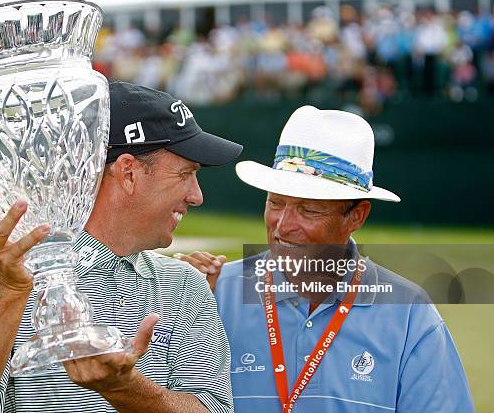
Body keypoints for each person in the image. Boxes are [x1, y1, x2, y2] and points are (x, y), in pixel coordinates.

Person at [0, 81, 243, 413]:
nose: (197, 196)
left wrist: (125, 389)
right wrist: (9, 292)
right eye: (185, 174)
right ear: (128, 173)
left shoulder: (184, 285)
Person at [176, 105, 475, 413]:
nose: (282, 226)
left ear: (356, 216)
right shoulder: (212, 293)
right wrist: (174, 308)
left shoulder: (410, 313)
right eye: (275, 203)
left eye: (308, 210)